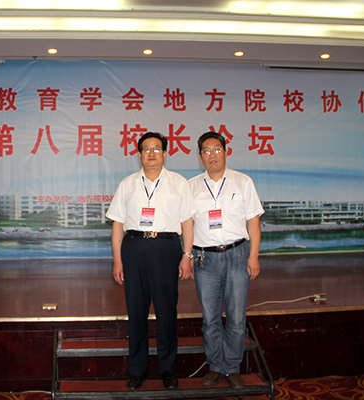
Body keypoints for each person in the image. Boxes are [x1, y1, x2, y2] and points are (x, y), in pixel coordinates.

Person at [106, 131, 195, 391]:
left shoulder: (178, 183)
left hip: (166, 248)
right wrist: (117, 261)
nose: (151, 153)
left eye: (157, 148)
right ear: (139, 155)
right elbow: (118, 225)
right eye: (146, 149)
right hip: (133, 248)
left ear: (165, 154)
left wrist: (187, 255)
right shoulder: (128, 184)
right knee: (136, 312)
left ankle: (168, 370)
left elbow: (187, 222)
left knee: (166, 312)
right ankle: (138, 370)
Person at [188, 131, 264, 389]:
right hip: (204, 258)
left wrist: (254, 256)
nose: (212, 155)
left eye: (217, 149)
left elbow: (253, 222)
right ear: (200, 156)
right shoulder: (191, 186)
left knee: (236, 316)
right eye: (207, 151)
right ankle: (215, 366)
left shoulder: (243, 182)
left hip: (237, 255)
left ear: (225, 152)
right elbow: (187, 225)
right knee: (210, 318)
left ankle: (232, 367)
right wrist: (188, 256)